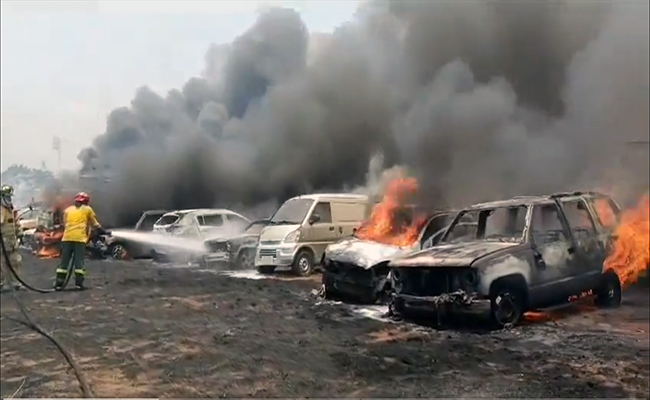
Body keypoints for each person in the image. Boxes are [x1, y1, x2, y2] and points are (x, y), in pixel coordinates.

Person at [54, 192, 104, 290]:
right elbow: (95, 223)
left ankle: (59, 284)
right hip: (79, 239)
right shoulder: (87, 209)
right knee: (79, 263)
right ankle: (78, 284)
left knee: (64, 262)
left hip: (67, 238)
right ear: (86, 201)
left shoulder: (67, 210)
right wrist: (103, 231)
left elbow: (65, 223)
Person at [0, 184, 23, 291]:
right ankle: (1, 283)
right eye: (6, 197)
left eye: (10, 197)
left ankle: (15, 282)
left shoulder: (11, 209)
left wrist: (20, 234)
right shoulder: (1, 210)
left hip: (11, 241)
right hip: (2, 242)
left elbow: (16, 223)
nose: (9, 199)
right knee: (1, 263)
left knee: (15, 261)